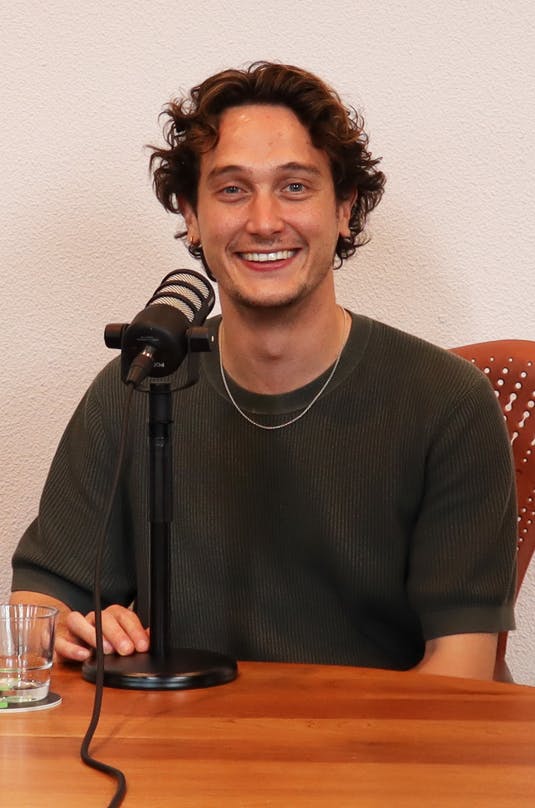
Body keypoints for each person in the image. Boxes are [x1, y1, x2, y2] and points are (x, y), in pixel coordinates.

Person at [10, 61, 517, 680]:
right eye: (231, 190)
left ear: (344, 208)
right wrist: (74, 631)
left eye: (296, 187)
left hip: (376, 739)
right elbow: (37, 607)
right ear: (191, 216)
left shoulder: (448, 403)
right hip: (181, 734)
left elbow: (461, 674)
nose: (264, 221)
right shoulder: (138, 387)